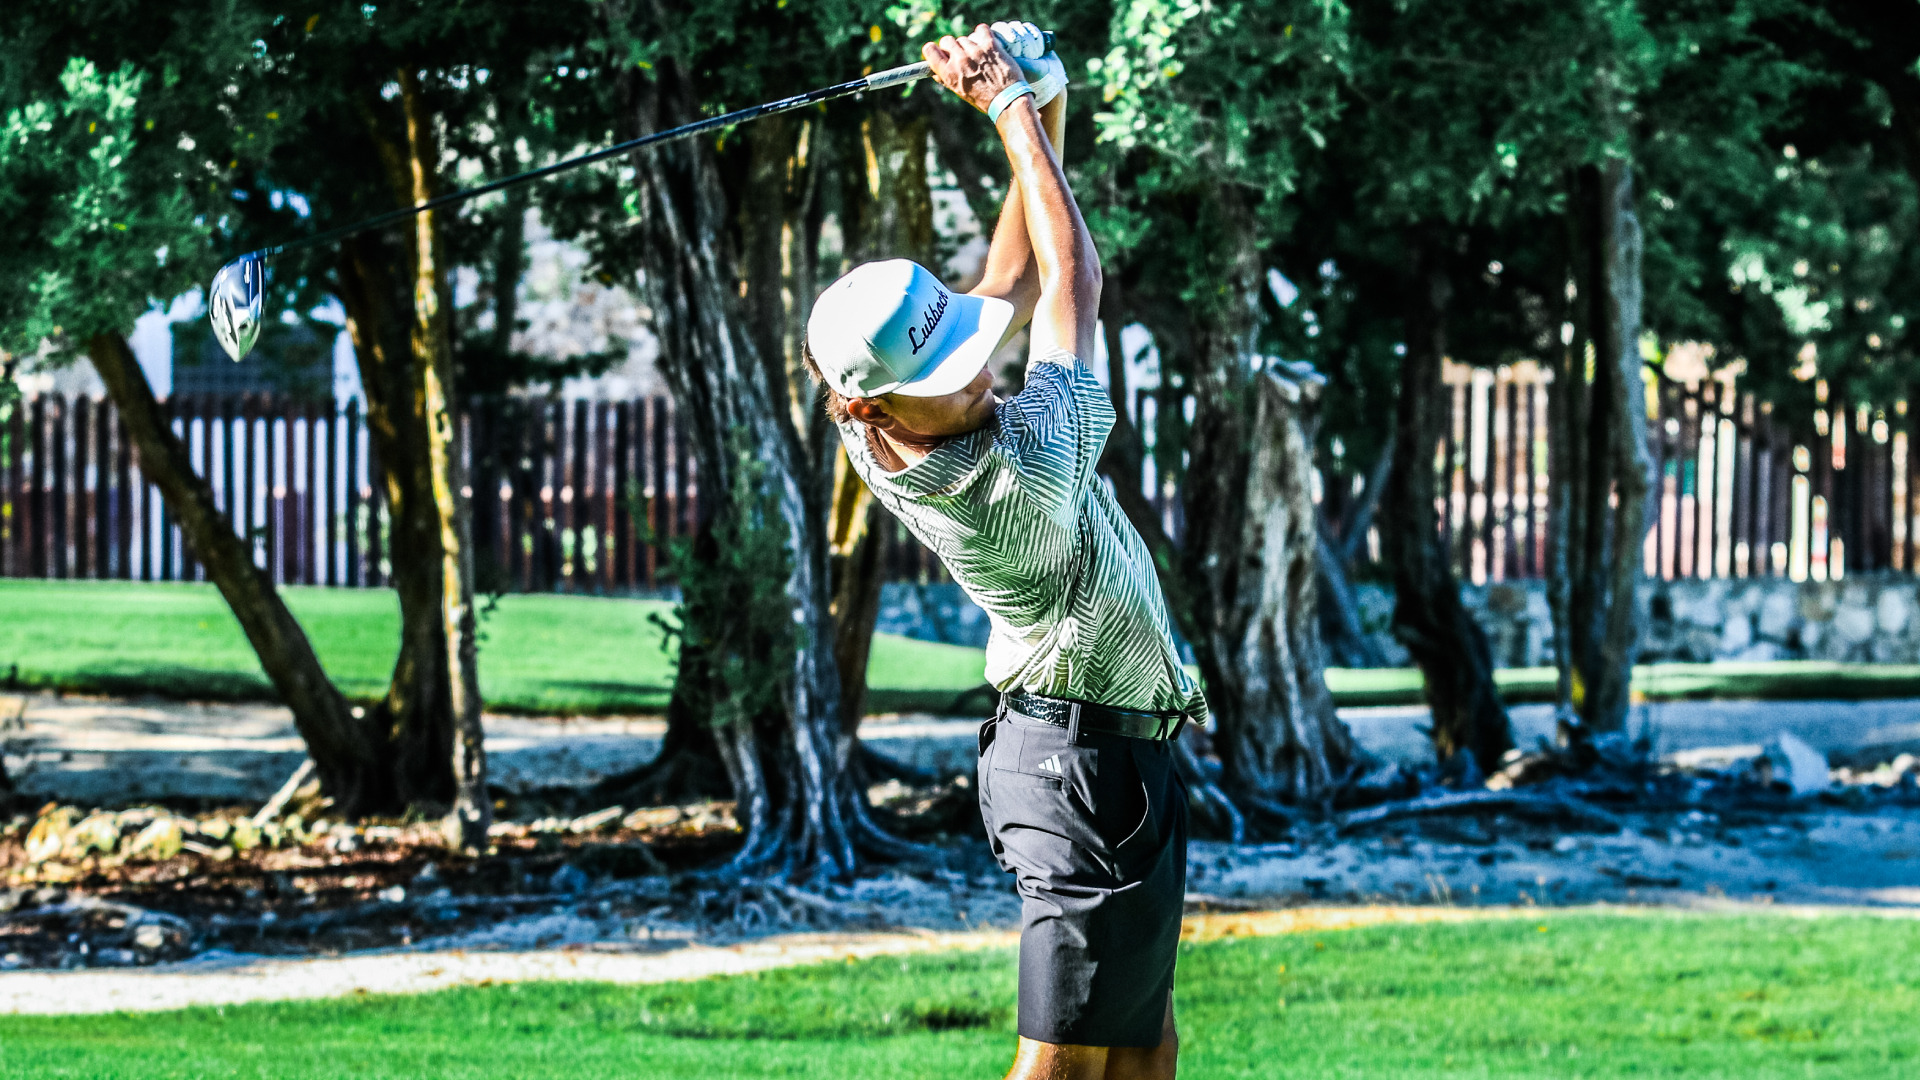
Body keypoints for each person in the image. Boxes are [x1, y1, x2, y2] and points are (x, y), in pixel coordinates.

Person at [801, 21, 1207, 1080]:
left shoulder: (882, 416)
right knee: (1064, 1065)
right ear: (873, 403)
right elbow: (1072, 279)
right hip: (1077, 771)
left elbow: (1015, 270)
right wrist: (1006, 109)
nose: (982, 376)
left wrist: (1038, 92)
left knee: (1143, 1046)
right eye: (952, 378)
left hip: (1112, 755)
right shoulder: (1012, 487)